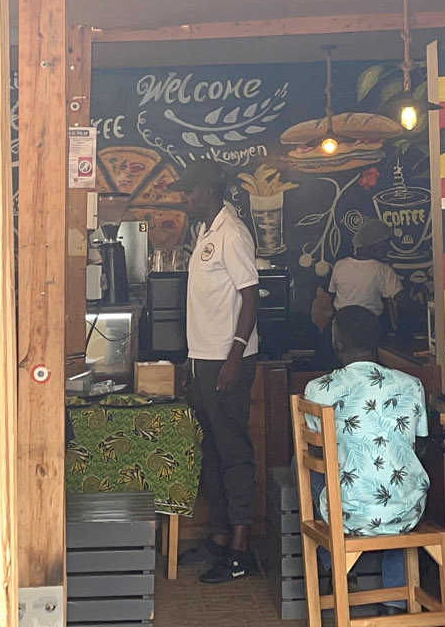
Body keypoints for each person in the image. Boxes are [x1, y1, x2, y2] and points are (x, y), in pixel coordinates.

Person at [172, 160, 264, 583]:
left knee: (233, 452)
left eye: (189, 191)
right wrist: (193, 361)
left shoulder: (232, 233)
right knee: (211, 452)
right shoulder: (205, 234)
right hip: (204, 360)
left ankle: (241, 551)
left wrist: (233, 355)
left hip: (230, 362)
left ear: (208, 191)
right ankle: (220, 537)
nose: (185, 198)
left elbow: (250, 297)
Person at [303, 307, 429, 605]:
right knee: (398, 484)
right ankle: (395, 605)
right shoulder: (411, 385)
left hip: (346, 514)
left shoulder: (318, 389)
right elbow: (420, 443)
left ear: (337, 344)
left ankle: (336, 566)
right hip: (408, 512)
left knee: (304, 464)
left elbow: (319, 452)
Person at [330, 218, 401, 316]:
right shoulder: (383, 270)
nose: (389, 248)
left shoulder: (339, 265)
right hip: (370, 326)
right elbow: (402, 301)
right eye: (386, 243)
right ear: (376, 244)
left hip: (341, 325)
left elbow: (333, 295)